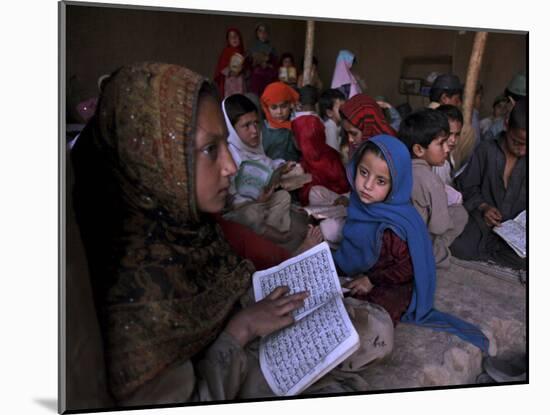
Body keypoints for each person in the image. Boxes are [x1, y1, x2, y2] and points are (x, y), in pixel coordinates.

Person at [71, 62, 365, 406]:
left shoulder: (186, 225)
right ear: (153, 158)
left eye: (226, 144)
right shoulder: (138, 298)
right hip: (230, 362)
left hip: (240, 342)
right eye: (211, 149)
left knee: (355, 321)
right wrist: (241, 330)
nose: (231, 166)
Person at [333, 135, 489, 352]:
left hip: (393, 281)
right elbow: (351, 247)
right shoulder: (360, 206)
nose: (367, 186)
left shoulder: (398, 225)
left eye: (381, 181)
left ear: (396, 184)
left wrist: (371, 279)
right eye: (363, 173)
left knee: (373, 315)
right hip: (363, 273)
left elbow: (407, 268)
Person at [221, 93, 306, 249]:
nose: (255, 131)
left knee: (284, 197)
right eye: (246, 125)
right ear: (231, 129)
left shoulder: (254, 145)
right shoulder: (227, 156)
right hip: (243, 211)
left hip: (263, 204)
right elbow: (228, 203)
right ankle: (273, 238)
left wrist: (281, 168)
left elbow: (266, 163)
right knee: (252, 215)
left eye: (256, 123)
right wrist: (256, 202)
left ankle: (267, 234)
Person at [451, 98, 527, 270]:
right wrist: (484, 206)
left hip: (517, 232)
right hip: (482, 222)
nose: (523, 150)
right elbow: (467, 186)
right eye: (517, 142)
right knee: (460, 247)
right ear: (507, 124)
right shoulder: (486, 150)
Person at [398, 109, 468, 269]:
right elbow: (439, 226)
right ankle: (433, 254)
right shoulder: (432, 181)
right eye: (440, 143)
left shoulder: (401, 168)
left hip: (395, 240)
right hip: (415, 244)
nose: (447, 148)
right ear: (419, 150)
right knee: (460, 213)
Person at [291, 86, 350, 246]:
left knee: (329, 230)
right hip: (337, 204)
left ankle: (313, 215)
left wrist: (345, 198)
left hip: (349, 208)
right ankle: (315, 215)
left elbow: (345, 189)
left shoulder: (331, 156)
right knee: (315, 192)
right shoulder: (314, 159)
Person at [339, 93, 397, 163]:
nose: (350, 139)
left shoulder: (391, 149)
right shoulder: (353, 147)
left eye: (354, 134)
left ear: (368, 127)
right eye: (346, 132)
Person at [260, 81, 301, 161]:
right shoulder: (260, 128)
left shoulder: (296, 125)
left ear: (290, 105)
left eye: (283, 106)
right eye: (274, 107)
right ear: (266, 108)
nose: (279, 112)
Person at [433, 104, 464, 187]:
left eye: (457, 134)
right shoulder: (437, 162)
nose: (453, 140)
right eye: (449, 134)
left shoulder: (451, 156)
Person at [213, 27, 247, 98]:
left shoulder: (243, 52)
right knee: (230, 101)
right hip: (230, 82)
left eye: (236, 36)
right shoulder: (226, 52)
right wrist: (231, 71)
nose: (234, 38)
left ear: (239, 38)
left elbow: (247, 69)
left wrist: (242, 68)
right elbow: (221, 68)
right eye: (231, 37)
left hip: (240, 82)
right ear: (228, 40)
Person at [248, 22, 278, 96]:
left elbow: (275, 64)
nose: (262, 34)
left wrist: (267, 65)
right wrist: (255, 63)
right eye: (260, 31)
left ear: (268, 33)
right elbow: (248, 65)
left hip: (268, 78)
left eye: (265, 31)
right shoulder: (252, 48)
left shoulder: (271, 48)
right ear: (257, 33)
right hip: (256, 79)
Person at [319, 88, 346, 153]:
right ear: (329, 113)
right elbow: (334, 153)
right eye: (341, 108)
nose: (345, 110)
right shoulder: (330, 128)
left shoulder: (339, 125)